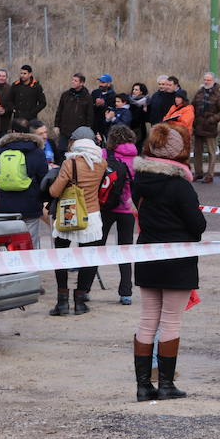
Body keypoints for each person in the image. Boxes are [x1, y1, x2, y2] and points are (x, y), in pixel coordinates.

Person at [132, 123, 207, 401]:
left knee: (148, 319)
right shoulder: (180, 186)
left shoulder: (139, 181)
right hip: (177, 258)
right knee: (171, 320)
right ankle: (165, 384)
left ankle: (143, 386)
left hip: (147, 255)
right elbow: (197, 225)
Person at [48, 134, 107, 316]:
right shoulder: (101, 164)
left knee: (61, 257)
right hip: (92, 216)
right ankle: (80, 302)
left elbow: (55, 191)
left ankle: (62, 302)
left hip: (69, 212)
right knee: (89, 259)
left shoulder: (70, 163)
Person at [0, 118, 50, 250]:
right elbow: (44, 177)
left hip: (5, 205)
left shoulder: (2, 150)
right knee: (30, 240)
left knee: (9, 240)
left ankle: (12, 268)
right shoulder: (36, 151)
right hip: (30, 204)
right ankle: (32, 268)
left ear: (12, 131)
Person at [101, 125, 138, 305]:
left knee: (96, 248)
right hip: (127, 209)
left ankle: (83, 289)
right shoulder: (137, 159)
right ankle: (126, 292)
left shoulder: (104, 155)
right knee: (125, 250)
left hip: (106, 206)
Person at [192, 72, 220, 184]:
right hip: (198, 126)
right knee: (197, 152)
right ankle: (198, 173)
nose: (206, 82)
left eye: (209, 80)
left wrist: (212, 120)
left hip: (210, 127)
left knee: (212, 152)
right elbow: (192, 107)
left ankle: (210, 175)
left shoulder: (219, 94)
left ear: (214, 81)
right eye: (205, 80)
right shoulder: (199, 92)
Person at [54, 74, 93, 151]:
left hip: (78, 132)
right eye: (72, 80)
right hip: (64, 129)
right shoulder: (65, 95)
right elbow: (59, 111)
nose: (73, 82)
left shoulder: (87, 97)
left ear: (81, 83)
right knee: (61, 150)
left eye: (75, 81)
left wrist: (88, 129)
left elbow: (90, 115)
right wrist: (56, 125)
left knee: (75, 152)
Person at [129, 83, 150, 150]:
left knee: (138, 148)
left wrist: (145, 111)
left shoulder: (146, 102)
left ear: (141, 92)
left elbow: (147, 118)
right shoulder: (129, 100)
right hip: (129, 127)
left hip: (139, 129)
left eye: (136, 90)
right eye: (133, 89)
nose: (133, 91)